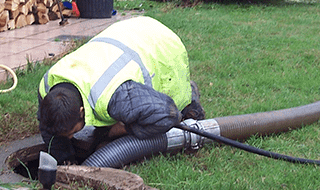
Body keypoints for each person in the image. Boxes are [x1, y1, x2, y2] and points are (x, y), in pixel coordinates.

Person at [37, 16, 205, 164]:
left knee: (180, 110)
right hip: (124, 36)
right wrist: (65, 159)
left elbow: (168, 115)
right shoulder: (47, 88)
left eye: (72, 132)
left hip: (160, 45)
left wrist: (120, 129)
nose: (71, 138)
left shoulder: (117, 97)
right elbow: (48, 130)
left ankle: (190, 99)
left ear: (82, 111)